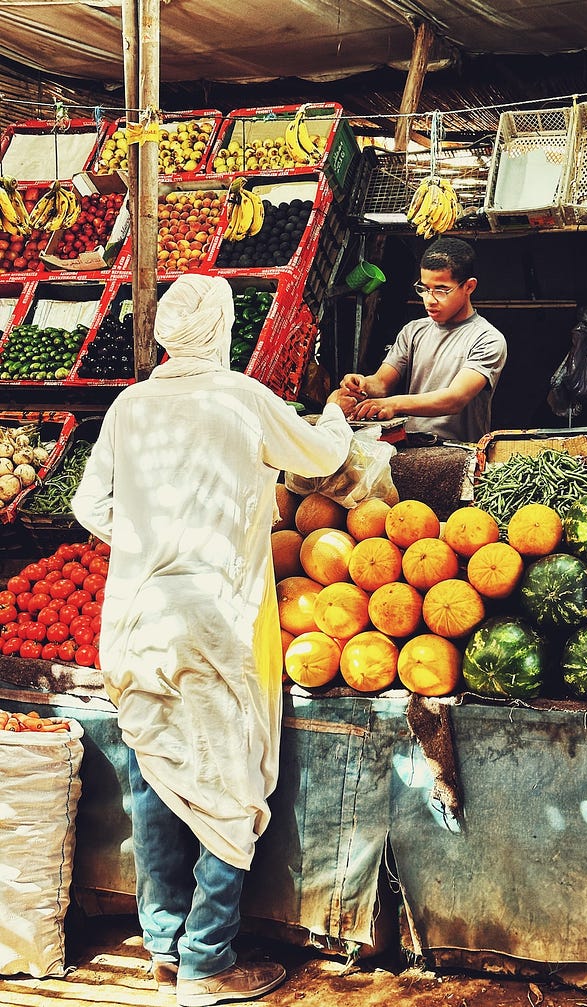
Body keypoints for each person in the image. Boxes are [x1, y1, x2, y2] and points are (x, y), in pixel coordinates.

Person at [71, 273, 356, 1007]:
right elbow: (321, 458)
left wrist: (145, 539)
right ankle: (206, 960)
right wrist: (335, 413)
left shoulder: (130, 406)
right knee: (228, 784)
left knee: (156, 776)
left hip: (136, 617)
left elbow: (88, 503)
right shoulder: (242, 397)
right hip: (218, 620)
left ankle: (164, 946)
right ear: (223, 329)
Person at [341, 236, 507, 443]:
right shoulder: (413, 331)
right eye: (425, 289)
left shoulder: (487, 339)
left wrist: (393, 404)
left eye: (441, 289)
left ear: (469, 287)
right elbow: (382, 383)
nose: (429, 299)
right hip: (410, 445)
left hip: (457, 451)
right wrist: (362, 383)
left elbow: (455, 399)